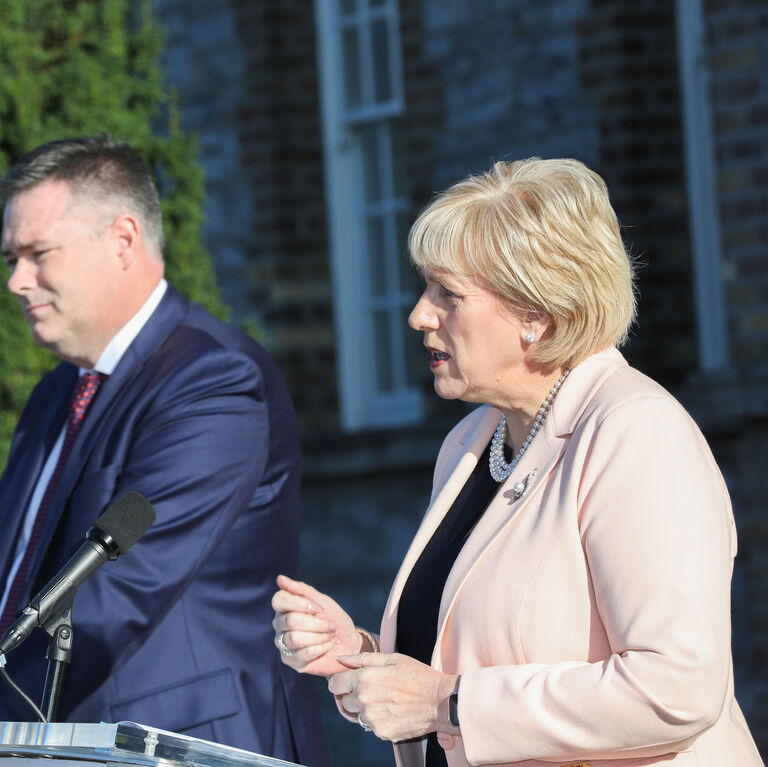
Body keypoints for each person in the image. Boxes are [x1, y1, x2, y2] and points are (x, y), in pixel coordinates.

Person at [0, 136, 327, 767]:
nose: (15, 281)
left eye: (38, 254)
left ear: (123, 240)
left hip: (180, 747)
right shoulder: (59, 393)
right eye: (11, 258)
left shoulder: (212, 381)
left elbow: (124, 587)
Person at [271, 158, 762, 767]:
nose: (419, 314)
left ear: (537, 314)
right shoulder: (470, 443)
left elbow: (679, 687)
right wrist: (360, 656)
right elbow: (465, 664)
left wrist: (448, 704)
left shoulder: (636, 430)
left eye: (448, 294)